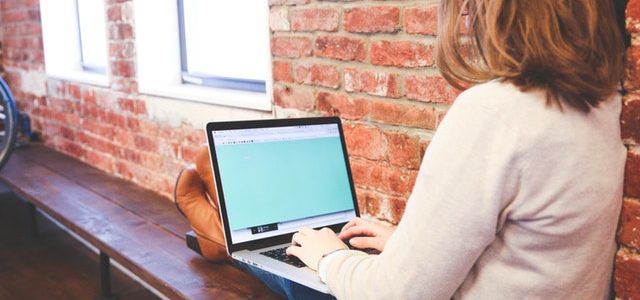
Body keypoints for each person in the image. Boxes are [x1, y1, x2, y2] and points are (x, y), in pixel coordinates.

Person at [174, 0, 627, 299]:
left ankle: (219, 235)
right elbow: (530, 255)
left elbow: (398, 296)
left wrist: (329, 257)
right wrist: (410, 247)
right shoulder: (602, 106)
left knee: (304, 266)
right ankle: (229, 232)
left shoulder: (495, 113)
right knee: (324, 251)